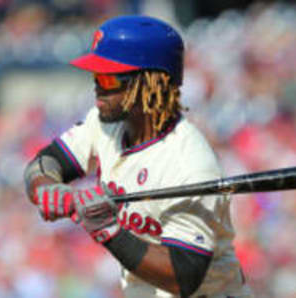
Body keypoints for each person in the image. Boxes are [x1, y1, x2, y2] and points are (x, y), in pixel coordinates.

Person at [24, 15, 252, 298]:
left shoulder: (189, 161)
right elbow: (46, 162)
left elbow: (184, 277)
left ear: (148, 83)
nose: (97, 87)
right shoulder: (105, 123)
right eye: (95, 77)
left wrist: (109, 231)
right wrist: (48, 187)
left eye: (107, 78)